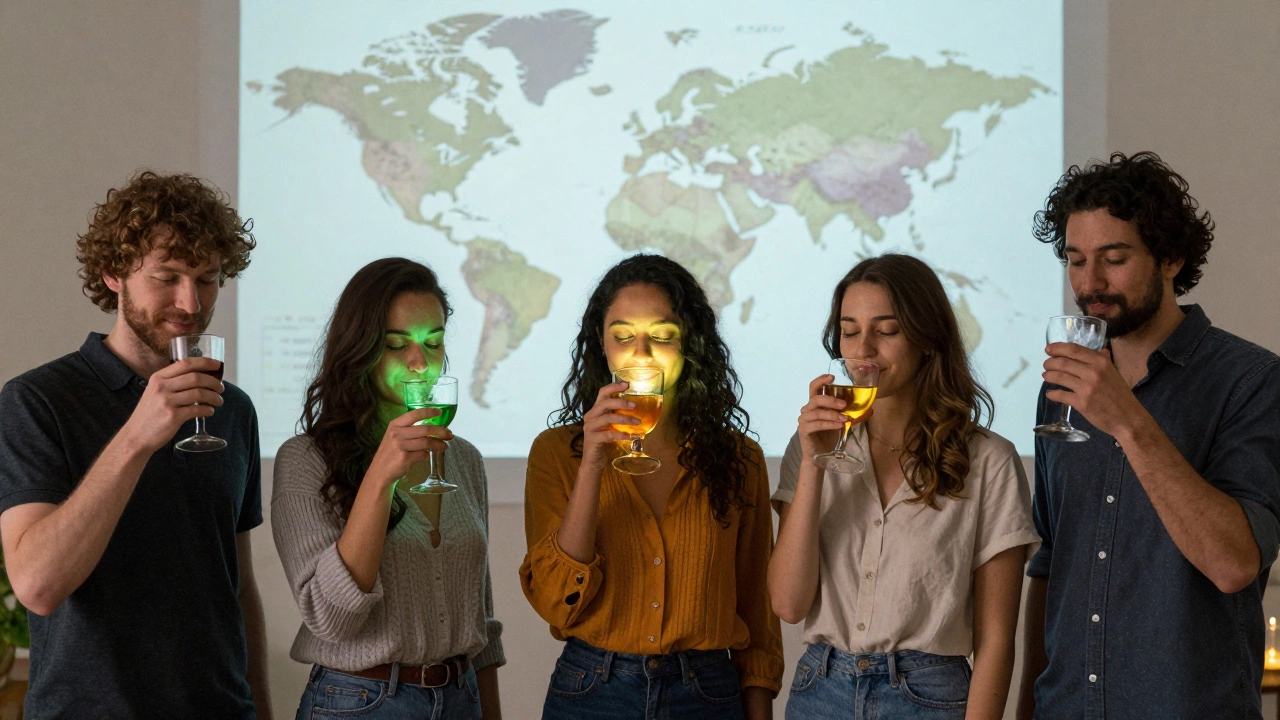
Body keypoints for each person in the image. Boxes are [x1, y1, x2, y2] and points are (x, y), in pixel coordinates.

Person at [1015, 152, 1280, 719]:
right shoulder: (1061, 386)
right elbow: (1050, 561)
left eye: (1114, 259)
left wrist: (1127, 420)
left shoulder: (1251, 381)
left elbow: (1235, 563)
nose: (1090, 283)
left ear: (1171, 258)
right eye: (1075, 260)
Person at [0, 171, 271, 718]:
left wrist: (259, 709)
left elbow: (236, 585)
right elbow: (38, 585)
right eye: (167, 277)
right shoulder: (36, 401)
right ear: (112, 275)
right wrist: (137, 436)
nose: (191, 303)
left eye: (209, 279)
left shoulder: (233, 408)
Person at [769, 253, 1039, 719]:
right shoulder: (810, 446)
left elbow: (996, 641)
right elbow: (788, 605)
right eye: (850, 331)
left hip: (930, 698)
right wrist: (814, 463)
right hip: (820, 692)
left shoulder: (989, 460)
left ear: (927, 338)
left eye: (886, 330)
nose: (864, 349)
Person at [520, 254, 784, 720]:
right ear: (600, 344)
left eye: (662, 336)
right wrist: (593, 467)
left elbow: (758, 611)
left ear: (690, 345)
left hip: (707, 692)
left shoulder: (741, 459)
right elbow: (554, 602)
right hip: (592, 689)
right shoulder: (557, 452)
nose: (641, 354)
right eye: (623, 336)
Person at [272, 257, 504, 720]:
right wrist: (380, 478)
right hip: (360, 702)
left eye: (433, 342)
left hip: (461, 700)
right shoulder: (305, 460)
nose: (420, 363)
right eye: (398, 345)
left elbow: (482, 622)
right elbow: (331, 619)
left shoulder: (465, 459)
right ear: (361, 350)